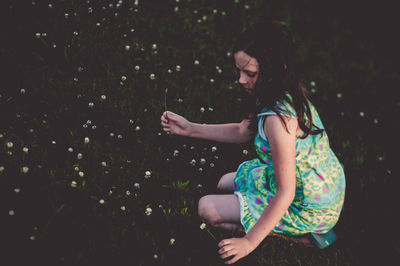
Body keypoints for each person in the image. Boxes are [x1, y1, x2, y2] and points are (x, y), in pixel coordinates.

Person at [160, 20, 345, 264]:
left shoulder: (279, 122)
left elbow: (286, 192)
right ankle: (267, 223)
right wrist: (190, 129)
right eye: (239, 71)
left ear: (276, 70)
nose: (240, 80)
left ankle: (299, 237)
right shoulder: (275, 92)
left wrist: (249, 242)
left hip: (308, 204)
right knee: (225, 181)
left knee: (206, 209)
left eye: (250, 74)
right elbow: (241, 131)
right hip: (316, 183)